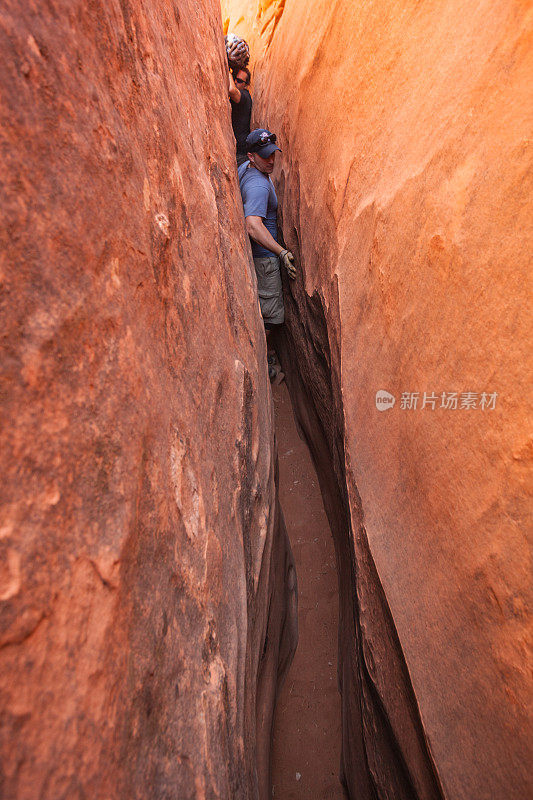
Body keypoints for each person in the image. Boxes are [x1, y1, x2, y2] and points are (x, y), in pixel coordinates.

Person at [238, 129, 297, 380]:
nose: (271, 160)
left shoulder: (246, 169)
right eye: (265, 156)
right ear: (251, 156)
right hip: (264, 259)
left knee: (263, 310)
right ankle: (263, 368)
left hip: (258, 256)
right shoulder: (259, 184)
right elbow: (252, 224)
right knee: (272, 317)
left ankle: (264, 353)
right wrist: (281, 252)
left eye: (272, 154)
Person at [227, 41, 252, 166]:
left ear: (246, 85)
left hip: (241, 156)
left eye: (240, 81)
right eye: (234, 78)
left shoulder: (246, 97)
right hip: (234, 152)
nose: (235, 82)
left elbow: (232, 90)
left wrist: (226, 67)